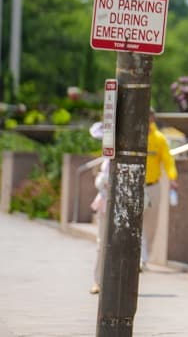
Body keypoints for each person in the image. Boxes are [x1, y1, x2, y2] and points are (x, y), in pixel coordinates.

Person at [141, 109, 178, 270]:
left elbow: (168, 161)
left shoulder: (159, 139)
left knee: (151, 224)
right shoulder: (135, 137)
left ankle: (144, 258)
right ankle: (137, 258)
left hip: (153, 186)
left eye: (149, 117)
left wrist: (172, 177)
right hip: (136, 187)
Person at [89, 122, 109, 295]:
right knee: (102, 243)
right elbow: (95, 130)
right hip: (106, 202)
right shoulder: (108, 157)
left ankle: (107, 281)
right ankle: (98, 280)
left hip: (120, 202)